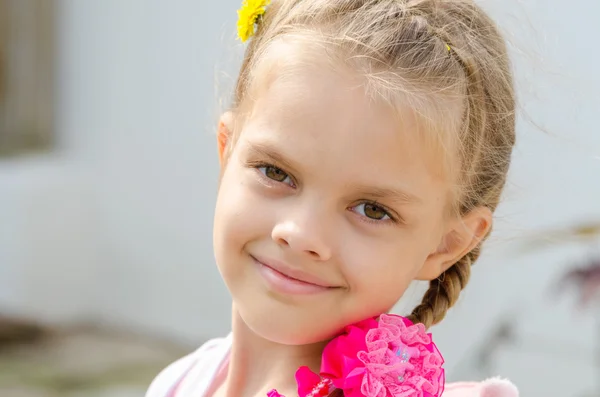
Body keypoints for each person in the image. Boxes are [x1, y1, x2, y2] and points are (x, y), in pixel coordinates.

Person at [147, 0, 520, 396]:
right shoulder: (180, 382)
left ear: (446, 245)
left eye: (372, 210)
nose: (301, 233)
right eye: (276, 172)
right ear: (227, 151)